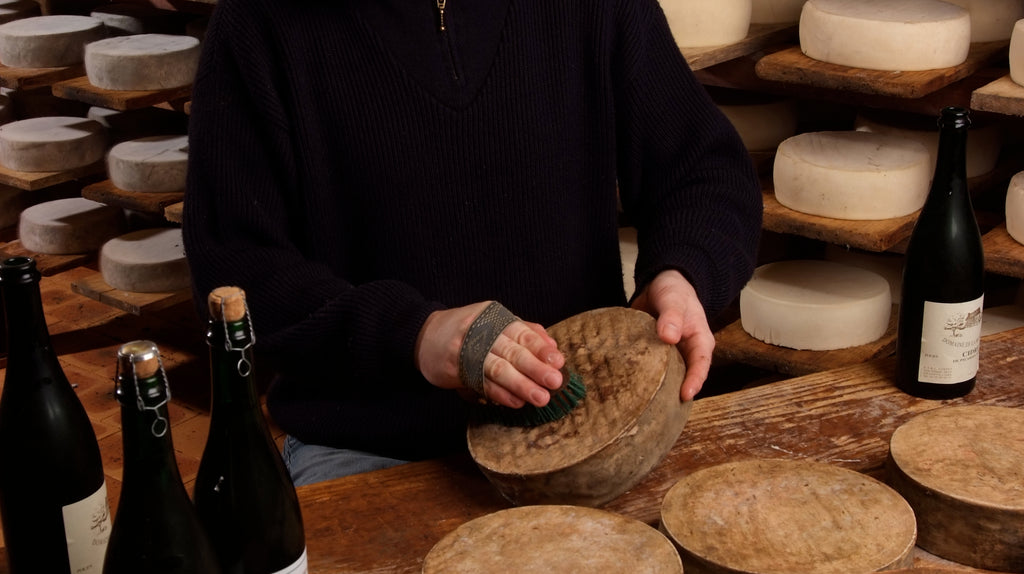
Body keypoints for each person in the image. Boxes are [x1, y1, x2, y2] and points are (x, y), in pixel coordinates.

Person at [183, 0, 762, 486]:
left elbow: (704, 171)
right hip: (371, 447)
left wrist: (682, 272)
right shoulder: (259, 23)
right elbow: (236, 270)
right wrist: (414, 334)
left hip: (587, 430)